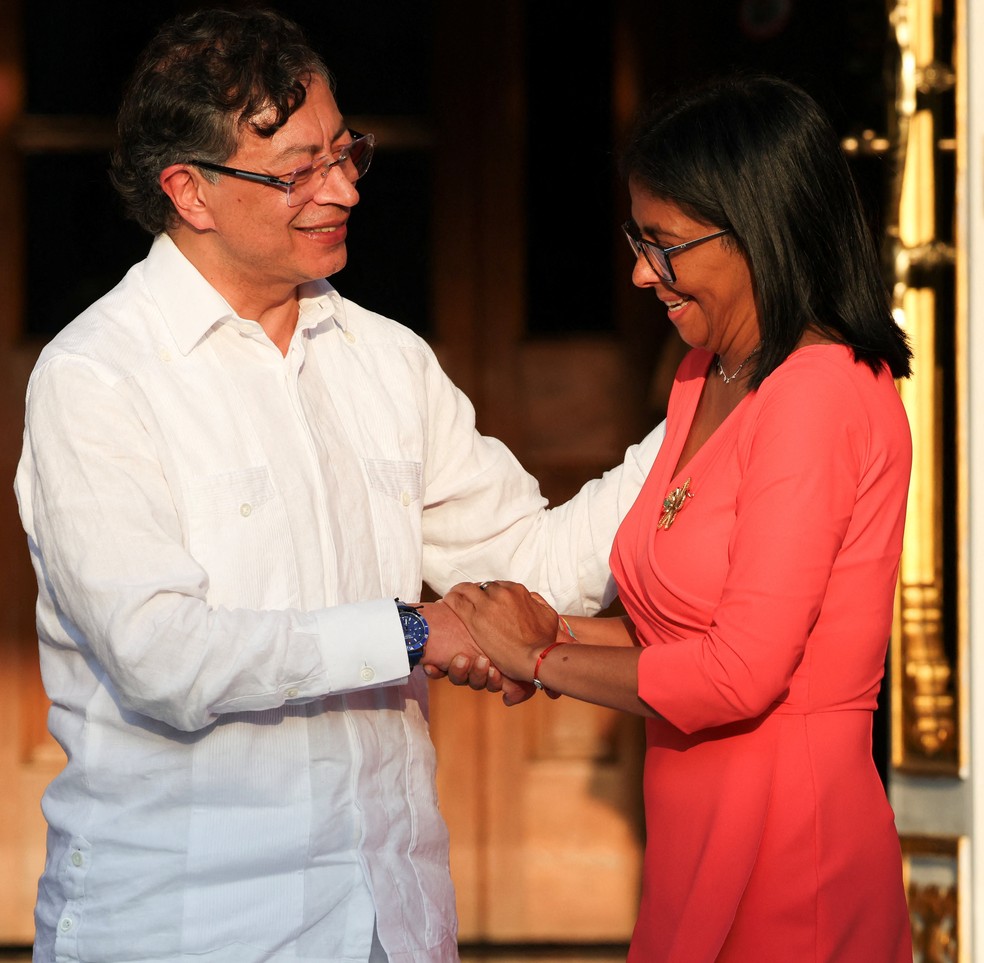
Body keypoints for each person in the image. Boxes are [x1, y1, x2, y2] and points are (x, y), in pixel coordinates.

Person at [13, 8, 666, 962]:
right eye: (299, 172)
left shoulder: (385, 360)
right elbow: (161, 653)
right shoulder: (98, 376)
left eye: (345, 151)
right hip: (190, 926)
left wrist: (713, 397)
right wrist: (410, 630)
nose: (346, 189)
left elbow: (536, 563)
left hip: (393, 919)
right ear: (187, 191)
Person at [443, 73, 915, 962]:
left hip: (790, 845)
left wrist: (541, 658)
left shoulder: (819, 393)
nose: (638, 270)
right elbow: (683, 626)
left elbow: (741, 672)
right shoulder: (709, 374)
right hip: (695, 824)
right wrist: (557, 628)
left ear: (755, 231)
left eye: (662, 243)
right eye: (636, 236)